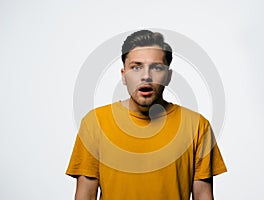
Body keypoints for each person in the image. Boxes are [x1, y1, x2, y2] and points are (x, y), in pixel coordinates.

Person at [66, 30, 227, 200]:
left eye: (156, 67)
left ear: (168, 76)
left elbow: (203, 196)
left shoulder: (197, 126)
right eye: (136, 67)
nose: (146, 76)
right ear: (124, 75)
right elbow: (86, 195)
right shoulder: (95, 122)